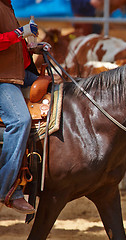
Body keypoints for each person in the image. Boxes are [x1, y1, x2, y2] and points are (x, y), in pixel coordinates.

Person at [0, 0, 46, 214]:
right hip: (3, 78)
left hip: (17, 73)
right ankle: (7, 188)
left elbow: (12, 47)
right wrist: (19, 33)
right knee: (19, 120)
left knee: (65, 95)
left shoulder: (7, 6)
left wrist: (32, 48)